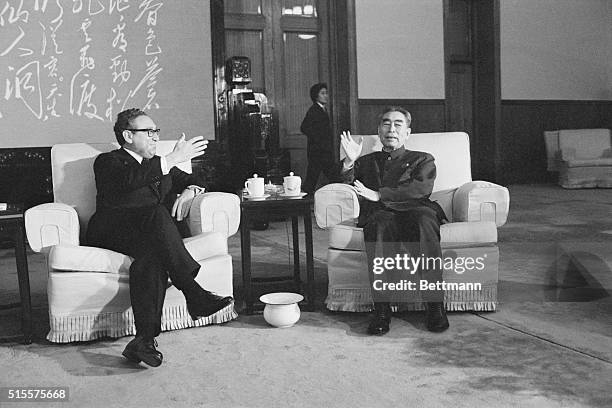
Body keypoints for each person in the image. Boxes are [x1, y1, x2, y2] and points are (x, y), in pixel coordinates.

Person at [86, 108, 233, 367]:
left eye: (157, 132)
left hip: (149, 235)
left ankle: (144, 340)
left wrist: (190, 190)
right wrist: (171, 158)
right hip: (113, 231)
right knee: (157, 212)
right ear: (128, 135)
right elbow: (129, 182)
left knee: (152, 257)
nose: (155, 137)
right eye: (149, 132)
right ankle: (193, 291)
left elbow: (197, 177)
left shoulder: (163, 168)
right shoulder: (108, 162)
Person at [339, 106, 449, 335]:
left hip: (417, 209)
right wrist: (349, 163)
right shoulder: (366, 161)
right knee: (378, 224)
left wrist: (380, 195)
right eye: (386, 124)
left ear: (407, 133)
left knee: (424, 221)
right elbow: (345, 184)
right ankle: (381, 310)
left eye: (398, 124)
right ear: (379, 131)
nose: (392, 129)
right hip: (382, 214)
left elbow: (421, 188)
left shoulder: (422, 158)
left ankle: (435, 306)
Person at [300, 83, 336, 194]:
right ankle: (303, 202)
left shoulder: (322, 109)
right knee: (314, 178)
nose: (326, 96)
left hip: (323, 151)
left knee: (314, 178)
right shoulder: (314, 110)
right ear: (316, 96)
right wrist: (319, 141)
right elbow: (304, 128)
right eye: (323, 93)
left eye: (326, 93)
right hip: (318, 152)